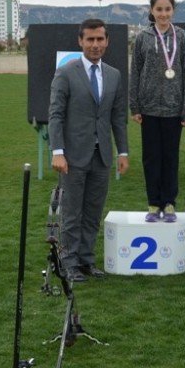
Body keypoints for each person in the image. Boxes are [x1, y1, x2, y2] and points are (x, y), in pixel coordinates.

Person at [49, 18, 130, 282]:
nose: (95, 45)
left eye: (100, 39)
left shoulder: (114, 75)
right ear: (80, 41)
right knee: (72, 212)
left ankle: (86, 261)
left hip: (102, 155)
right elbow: (56, 115)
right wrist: (57, 151)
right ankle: (68, 262)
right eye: (90, 40)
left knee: (93, 211)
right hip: (72, 156)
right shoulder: (66, 72)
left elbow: (118, 117)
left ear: (107, 41)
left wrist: (123, 152)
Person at [130, 0, 185, 223]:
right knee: (151, 158)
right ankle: (153, 203)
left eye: (167, 9)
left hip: (173, 108)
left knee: (170, 157)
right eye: (159, 9)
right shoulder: (143, 38)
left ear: (173, 10)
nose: (163, 14)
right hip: (148, 109)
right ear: (151, 11)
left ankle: (169, 203)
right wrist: (134, 105)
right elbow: (135, 72)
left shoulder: (183, 37)